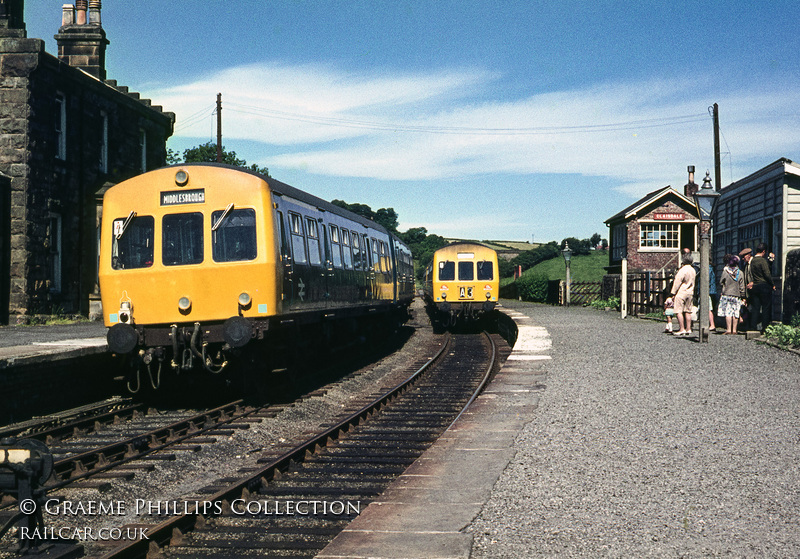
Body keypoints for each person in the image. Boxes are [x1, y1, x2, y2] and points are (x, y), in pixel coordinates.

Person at [747, 242, 776, 333]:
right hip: (764, 286)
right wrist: (772, 284)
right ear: (764, 251)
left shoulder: (753, 261)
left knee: (756, 307)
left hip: (755, 285)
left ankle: (753, 326)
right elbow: (767, 274)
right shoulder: (762, 261)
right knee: (766, 307)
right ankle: (765, 328)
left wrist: (770, 261)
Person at [666, 253, 696, 337]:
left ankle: (682, 328)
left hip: (682, 292)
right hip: (690, 292)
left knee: (678, 311)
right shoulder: (693, 270)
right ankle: (688, 328)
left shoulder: (682, 270)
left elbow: (677, 282)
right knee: (688, 311)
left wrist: (672, 293)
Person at [717, 254, 745, 335]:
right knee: (735, 313)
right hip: (736, 295)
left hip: (727, 294)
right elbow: (742, 286)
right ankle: (734, 330)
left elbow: (721, 281)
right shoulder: (740, 273)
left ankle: (728, 330)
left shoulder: (725, 272)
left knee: (728, 312)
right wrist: (743, 295)